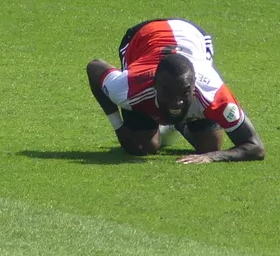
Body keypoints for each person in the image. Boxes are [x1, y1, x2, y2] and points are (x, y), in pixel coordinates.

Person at [86, 18, 264, 164]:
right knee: (139, 147)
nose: (176, 102)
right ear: (154, 84)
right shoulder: (129, 86)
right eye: (168, 93)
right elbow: (94, 67)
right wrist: (119, 127)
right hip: (141, 38)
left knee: (210, 146)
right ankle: (170, 121)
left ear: (194, 86)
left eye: (184, 93)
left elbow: (255, 147)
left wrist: (211, 157)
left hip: (193, 35)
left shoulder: (214, 94)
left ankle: (178, 123)